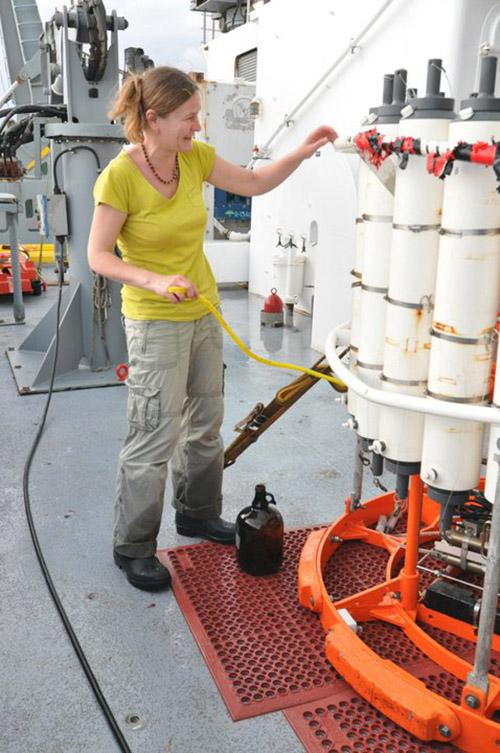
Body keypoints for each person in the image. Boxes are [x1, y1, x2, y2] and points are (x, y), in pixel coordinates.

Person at [87, 66, 337, 591]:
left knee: (205, 423)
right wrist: (153, 280)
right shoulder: (120, 176)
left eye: (197, 115)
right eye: (187, 117)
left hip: (202, 311)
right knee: (153, 434)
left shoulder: (194, 159)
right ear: (152, 119)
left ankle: (197, 513)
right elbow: (99, 255)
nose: (196, 127)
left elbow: (252, 182)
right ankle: (132, 545)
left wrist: (301, 151)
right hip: (155, 321)